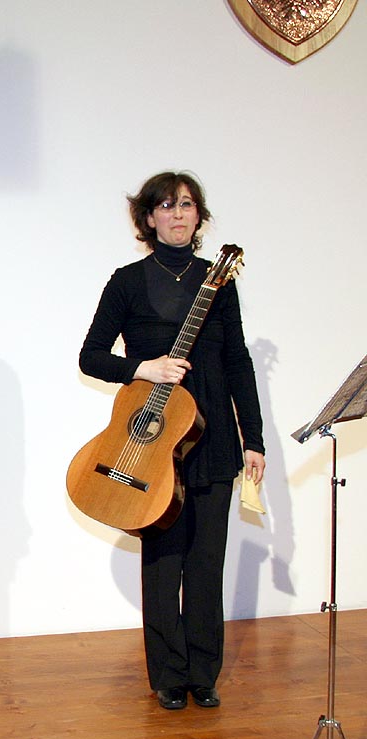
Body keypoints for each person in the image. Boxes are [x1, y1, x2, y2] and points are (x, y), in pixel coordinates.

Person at [78, 172, 265, 710]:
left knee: (206, 563)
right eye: (165, 205)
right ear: (148, 218)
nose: (177, 214)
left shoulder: (217, 280)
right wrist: (144, 368)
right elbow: (91, 356)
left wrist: (253, 438)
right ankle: (167, 673)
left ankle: (203, 672)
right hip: (153, 443)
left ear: (198, 216)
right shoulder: (127, 282)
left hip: (213, 436)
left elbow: (238, 361)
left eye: (186, 205)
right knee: (162, 563)